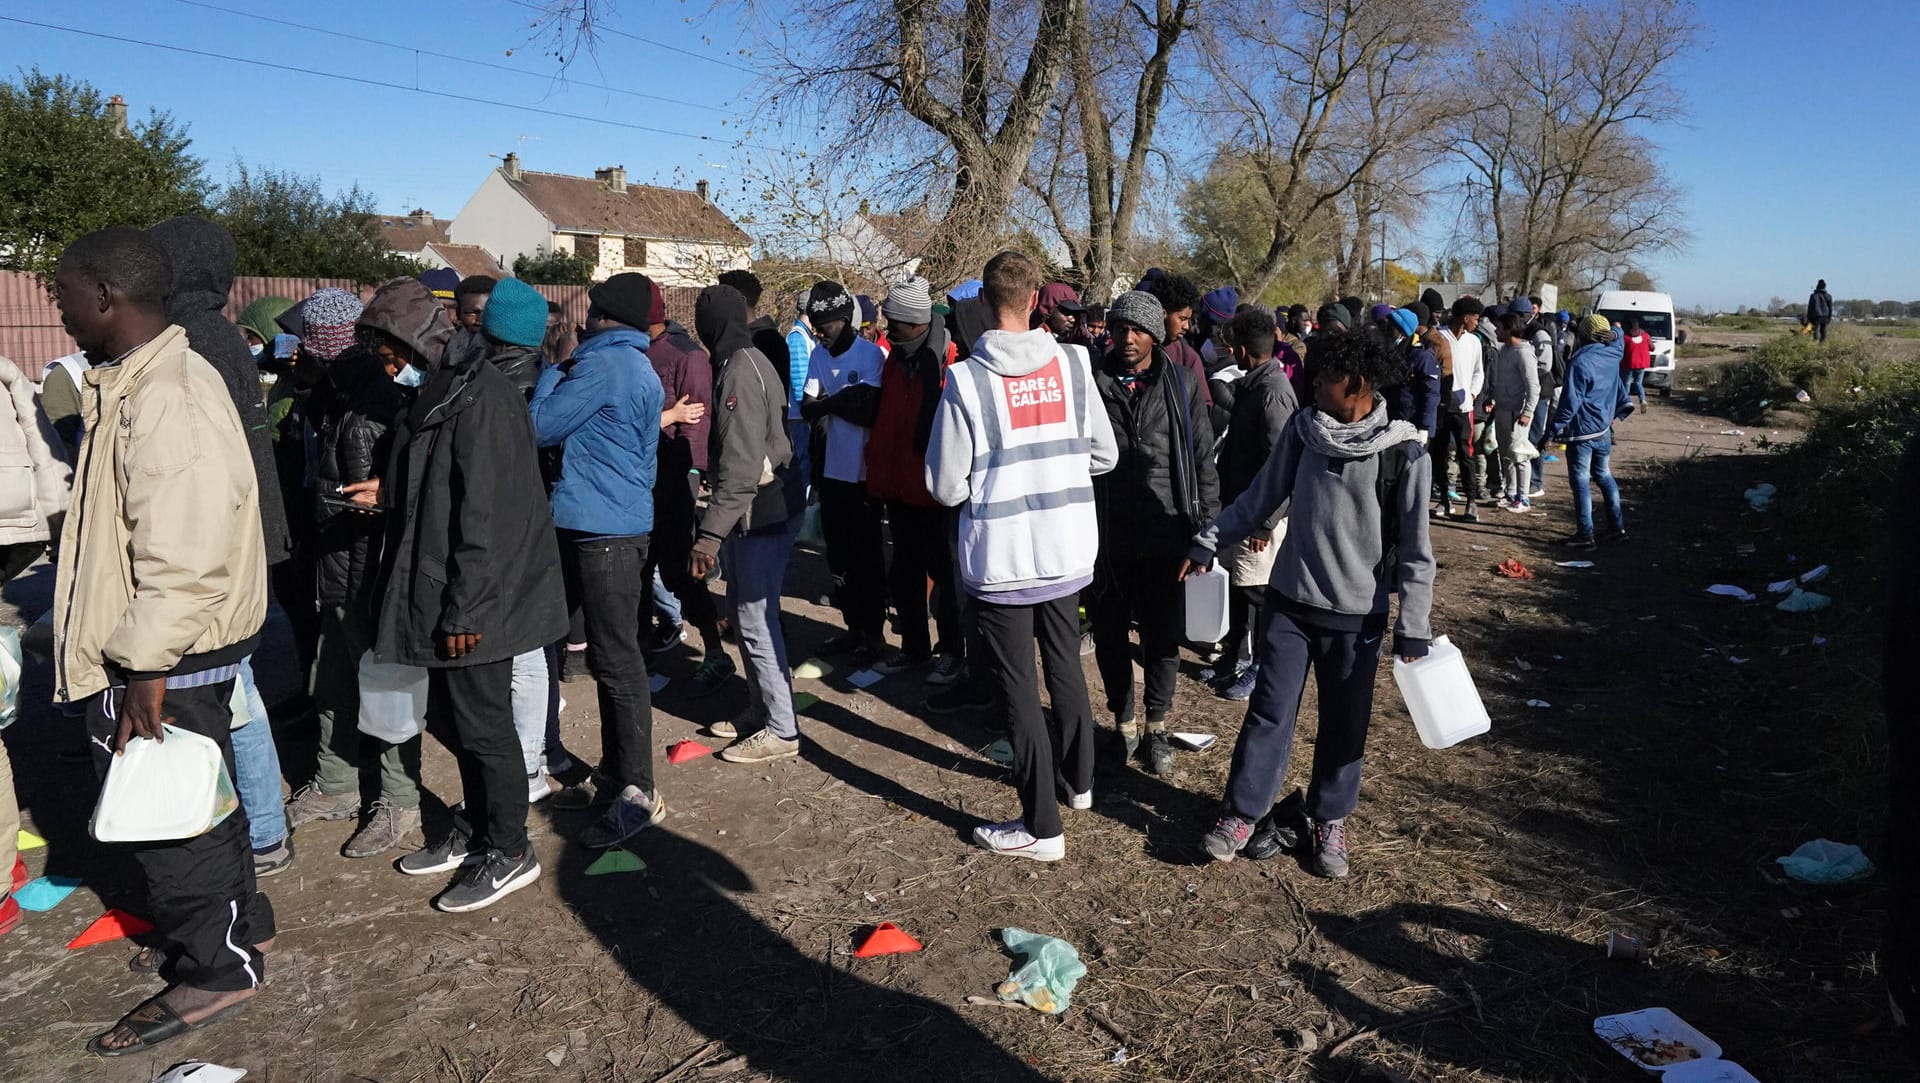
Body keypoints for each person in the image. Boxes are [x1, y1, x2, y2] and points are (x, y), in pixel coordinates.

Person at [52, 227, 275, 1055]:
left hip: (168, 651)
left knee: (173, 817)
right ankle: (237, 924)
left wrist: (146, 661)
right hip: (164, 643)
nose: (60, 307)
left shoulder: (166, 395)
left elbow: (184, 547)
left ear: (107, 296)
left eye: (64, 293)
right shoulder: (134, 381)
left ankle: (217, 971)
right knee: (198, 805)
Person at [350, 275, 566, 912]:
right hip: (442, 584)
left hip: (480, 596)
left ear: (419, 341)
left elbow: (489, 515)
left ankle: (509, 849)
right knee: (450, 717)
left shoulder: (486, 398)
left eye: (393, 356)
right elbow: (441, 485)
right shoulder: (446, 388)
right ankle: (476, 827)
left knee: (483, 724)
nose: (391, 370)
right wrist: (389, 496)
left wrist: (467, 607)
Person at [1186, 331, 1434, 878]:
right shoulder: (1303, 434)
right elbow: (1258, 498)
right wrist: (1210, 537)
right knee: (1269, 712)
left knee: (1345, 724)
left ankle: (1329, 818)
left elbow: (1418, 552)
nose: (1312, 385)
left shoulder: (1405, 452)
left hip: (1356, 619)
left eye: (1323, 378)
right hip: (1290, 606)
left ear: (1359, 385)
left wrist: (1414, 626)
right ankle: (1242, 814)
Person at [927, 250, 1118, 861]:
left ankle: (1041, 827)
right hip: (1065, 547)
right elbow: (1104, 454)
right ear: (1037, 300)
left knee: (1016, 685)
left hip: (1003, 556)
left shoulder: (964, 381)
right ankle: (1080, 783)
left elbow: (945, 485)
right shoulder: (1074, 364)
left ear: (984, 303)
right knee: (1065, 665)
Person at [146, 218, 298, 881]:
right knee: (235, 686)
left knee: (226, 690)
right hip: (243, 533)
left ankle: (260, 829)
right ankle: (262, 824)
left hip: (221, 542)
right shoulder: (214, 334)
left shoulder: (195, 341)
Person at [284, 281, 430, 858]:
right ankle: (338, 785)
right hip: (336, 564)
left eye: (302, 343)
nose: (291, 352)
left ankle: (399, 803)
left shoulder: (374, 402)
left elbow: (396, 491)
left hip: (369, 570)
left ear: (327, 345)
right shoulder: (334, 396)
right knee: (333, 679)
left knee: (388, 688)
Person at [527, 273, 670, 849]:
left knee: (616, 660)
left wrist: (551, 373)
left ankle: (638, 788)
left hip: (600, 531)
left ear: (604, 315)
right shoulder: (637, 364)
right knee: (616, 658)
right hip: (620, 523)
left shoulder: (600, 366)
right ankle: (617, 775)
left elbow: (539, 427)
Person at [1088, 290, 1218, 777]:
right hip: (1105, 530)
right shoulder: (1091, 383)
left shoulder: (1181, 383)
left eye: (1138, 329)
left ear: (1155, 336)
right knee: (1108, 633)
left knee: (1163, 638)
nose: (1127, 337)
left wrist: (1206, 531)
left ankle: (1157, 725)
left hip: (1168, 528)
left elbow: (1204, 460)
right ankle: (1122, 723)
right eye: (1120, 327)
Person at [691, 284, 803, 763]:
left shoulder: (740, 370)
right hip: (754, 509)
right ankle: (760, 709)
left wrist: (709, 535)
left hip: (761, 510)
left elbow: (741, 467)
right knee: (743, 613)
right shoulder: (745, 360)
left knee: (756, 620)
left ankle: (782, 728)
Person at [865, 277, 962, 678]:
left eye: (894, 322)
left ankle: (954, 652)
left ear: (915, 322)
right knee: (904, 572)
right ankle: (915, 648)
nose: (887, 328)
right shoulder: (896, 360)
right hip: (896, 484)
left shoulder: (947, 359)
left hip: (933, 489)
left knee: (945, 576)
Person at [639, 279, 729, 694]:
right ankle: (643, 647)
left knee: (680, 569)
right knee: (640, 568)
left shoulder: (686, 355)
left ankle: (715, 653)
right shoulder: (638, 350)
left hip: (674, 479)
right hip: (640, 479)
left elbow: (697, 421)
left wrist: (692, 475)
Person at [799, 281, 889, 666]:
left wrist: (830, 404)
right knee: (839, 560)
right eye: (818, 327)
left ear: (846, 321)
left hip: (864, 475)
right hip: (831, 472)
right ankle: (851, 629)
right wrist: (842, 402)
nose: (823, 334)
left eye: (829, 326)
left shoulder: (871, 356)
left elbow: (869, 410)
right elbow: (807, 407)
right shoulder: (819, 354)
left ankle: (874, 635)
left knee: (867, 558)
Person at [1211, 306, 1298, 703]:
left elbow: (1281, 462)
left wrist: (1265, 523)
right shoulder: (1253, 385)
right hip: (1240, 509)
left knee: (1258, 593)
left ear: (1242, 350)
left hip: (1259, 517)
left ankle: (1261, 668)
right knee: (1238, 586)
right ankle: (1232, 656)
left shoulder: (1274, 393)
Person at [1546, 314, 1631, 549]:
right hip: (1604, 428)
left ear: (1582, 335)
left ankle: (1586, 535)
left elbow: (1570, 403)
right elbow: (1620, 337)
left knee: (1581, 481)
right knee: (1604, 475)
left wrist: (1551, 431)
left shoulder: (1580, 361)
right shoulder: (1613, 354)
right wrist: (1615, 333)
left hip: (1582, 432)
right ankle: (1617, 527)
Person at [1428, 296, 1485, 520]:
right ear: (1465, 317)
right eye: (1476, 318)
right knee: (1439, 454)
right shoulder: (1438, 338)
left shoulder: (1474, 342)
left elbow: (1479, 372)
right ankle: (1444, 499)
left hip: (1464, 408)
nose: (1477, 322)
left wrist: (1472, 393)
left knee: (1466, 454)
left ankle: (1471, 502)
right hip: (1441, 408)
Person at [1488, 313, 1540, 514]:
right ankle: (1510, 493)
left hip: (1518, 414)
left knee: (1520, 454)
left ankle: (1523, 496)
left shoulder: (1524, 353)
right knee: (1505, 454)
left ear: (1509, 329)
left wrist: (1527, 412)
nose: (1496, 331)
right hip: (1502, 409)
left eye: (1499, 327)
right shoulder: (1504, 350)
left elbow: (1533, 386)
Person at [1386, 305, 1440, 444]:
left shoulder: (1422, 356)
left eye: (1392, 327)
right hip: (1393, 420)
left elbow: (1431, 393)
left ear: (1402, 332)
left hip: (1414, 425)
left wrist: (1424, 427)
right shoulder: (1392, 353)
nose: (1387, 330)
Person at [1621, 317, 1652, 408]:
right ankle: (1642, 399)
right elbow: (1652, 347)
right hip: (1641, 364)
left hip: (1628, 363)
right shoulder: (1646, 336)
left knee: (1627, 383)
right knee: (1638, 382)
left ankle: (1626, 401)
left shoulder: (1625, 338)